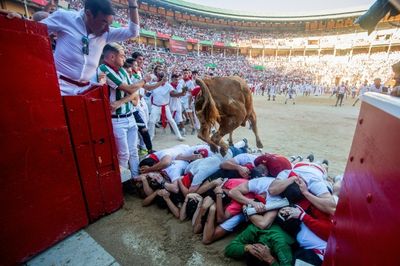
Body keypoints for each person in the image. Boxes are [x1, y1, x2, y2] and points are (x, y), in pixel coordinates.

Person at [42, 0, 140, 95]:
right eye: (104, 22)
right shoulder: (64, 18)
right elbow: (33, 30)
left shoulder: (106, 33)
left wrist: (132, 3)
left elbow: (133, 32)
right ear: (88, 14)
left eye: (109, 24)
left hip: (85, 91)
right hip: (58, 87)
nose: (107, 29)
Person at [97, 43, 161, 180]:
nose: (124, 58)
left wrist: (120, 102)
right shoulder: (104, 69)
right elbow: (130, 89)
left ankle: (135, 179)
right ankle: (122, 182)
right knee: (123, 153)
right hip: (116, 118)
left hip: (129, 115)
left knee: (133, 152)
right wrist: (144, 80)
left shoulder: (122, 71)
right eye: (122, 55)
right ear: (112, 56)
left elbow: (134, 92)